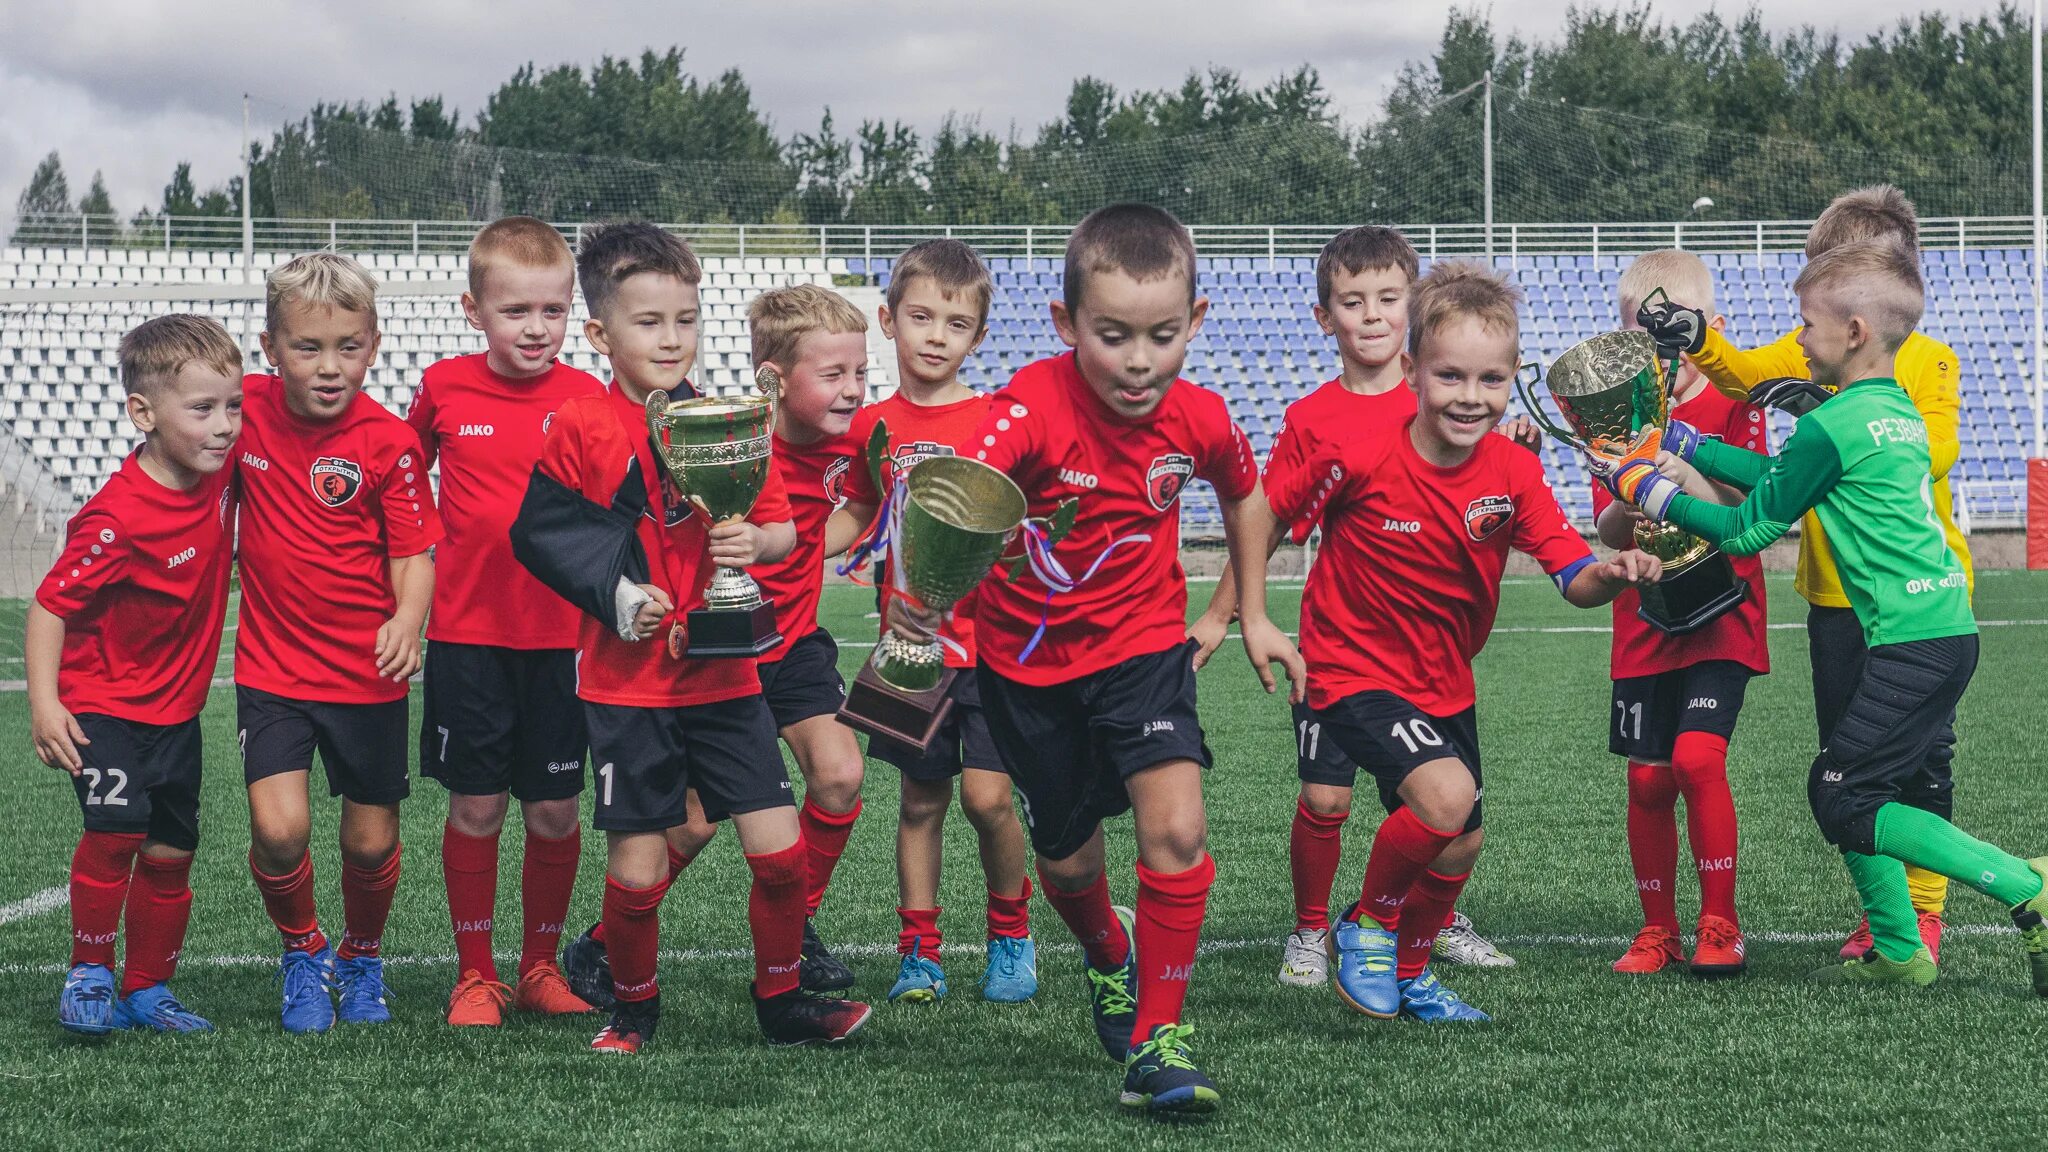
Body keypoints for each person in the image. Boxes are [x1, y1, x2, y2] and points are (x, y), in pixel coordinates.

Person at [1598, 238, 2046, 991]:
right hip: (1939, 630)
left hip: (1914, 641)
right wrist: (1687, 442)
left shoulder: (1833, 424)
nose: (1797, 338)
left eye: (1806, 325)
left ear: (1855, 333)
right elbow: (1782, 475)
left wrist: (1651, 491)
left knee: (1842, 792)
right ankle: (1901, 950)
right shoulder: (1888, 408)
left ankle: (2025, 885)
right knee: (1850, 789)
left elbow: (1750, 528)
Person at [963, 203, 1303, 1116]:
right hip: (1025, 670)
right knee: (1070, 868)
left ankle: (1159, 1040)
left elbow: (1249, 499)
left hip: (1144, 652)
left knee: (1178, 833)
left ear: (1194, 322)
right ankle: (1108, 959)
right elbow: (958, 503)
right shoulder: (1025, 410)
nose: (1140, 360)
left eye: (1162, 335)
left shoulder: (1200, 416)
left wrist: (1245, 612)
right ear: (1067, 324)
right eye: (1113, 336)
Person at [1268, 261, 1662, 1025]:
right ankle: (1367, 927)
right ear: (1413, 370)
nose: (1469, 397)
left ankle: (1411, 974)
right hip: (1349, 668)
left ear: (1512, 381)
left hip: (1444, 680)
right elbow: (1266, 513)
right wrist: (1242, 611)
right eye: (1450, 376)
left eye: (1489, 380)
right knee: (1441, 799)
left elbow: (1571, 572)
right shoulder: (1362, 451)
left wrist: (1614, 572)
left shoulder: (1513, 471)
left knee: (1459, 846)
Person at [512, 221, 871, 1053]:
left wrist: (758, 545)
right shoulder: (580, 425)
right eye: (649, 322)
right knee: (637, 872)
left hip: (727, 679)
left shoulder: (728, 420)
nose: (672, 339)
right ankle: (633, 1010)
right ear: (600, 333)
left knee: (779, 853)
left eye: (686, 319)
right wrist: (620, 593)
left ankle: (782, 1003)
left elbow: (784, 528)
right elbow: (545, 534)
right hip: (627, 689)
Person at [1637, 185, 1968, 959]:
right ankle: (1883, 921)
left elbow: (1936, 451)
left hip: (1915, 598)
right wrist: (1698, 341)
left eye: (1830, 268)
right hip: (1834, 594)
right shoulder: (1818, 344)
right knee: (1848, 760)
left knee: (1918, 761)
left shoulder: (1927, 362)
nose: (1804, 327)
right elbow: (1746, 375)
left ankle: (1922, 911)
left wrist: (1848, 425)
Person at [407, 216, 605, 1027]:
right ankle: (476, 974)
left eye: (553, 311)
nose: (536, 328)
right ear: (473, 310)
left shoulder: (589, 398)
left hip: (565, 643)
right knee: (477, 807)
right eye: (516, 310)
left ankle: (539, 967)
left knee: (555, 812)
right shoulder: (444, 388)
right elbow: (402, 477)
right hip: (467, 639)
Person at [830, 238, 1038, 1005]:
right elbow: (858, 510)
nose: (936, 336)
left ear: (978, 338)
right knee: (920, 800)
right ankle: (919, 952)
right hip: (905, 646)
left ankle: (1012, 936)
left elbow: (1026, 532)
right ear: (888, 321)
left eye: (956, 323)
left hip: (992, 649)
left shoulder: (1004, 422)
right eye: (921, 317)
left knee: (987, 799)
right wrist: (782, 549)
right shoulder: (871, 426)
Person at [237, 253, 440, 1033]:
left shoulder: (389, 442)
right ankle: (302, 950)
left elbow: (412, 553)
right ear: (270, 348)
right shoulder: (243, 409)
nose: (329, 367)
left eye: (347, 347)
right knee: (278, 828)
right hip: (273, 669)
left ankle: (360, 956)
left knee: (369, 840)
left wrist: (407, 619)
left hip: (366, 673)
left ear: (375, 343)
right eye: (307, 348)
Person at [32, 314, 243, 1035]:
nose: (224, 426)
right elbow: (50, 605)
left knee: (170, 851)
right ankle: (89, 972)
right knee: (118, 833)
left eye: (233, 406)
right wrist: (46, 704)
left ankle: (149, 988)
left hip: (175, 714)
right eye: (204, 409)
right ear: (142, 414)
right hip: (105, 706)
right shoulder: (116, 519)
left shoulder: (219, 477)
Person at [1597, 251, 1769, 976]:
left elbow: (1755, 508)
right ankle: (1657, 929)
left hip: (1723, 607)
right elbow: (1604, 529)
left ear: (1709, 329)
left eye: (1669, 336)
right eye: (1638, 336)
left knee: (1698, 758)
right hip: (1645, 616)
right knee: (1647, 780)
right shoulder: (1616, 409)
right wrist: (1629, 489)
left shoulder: (1737, 402)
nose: (1654, 354)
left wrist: (1685, 472)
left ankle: (1720, 924)